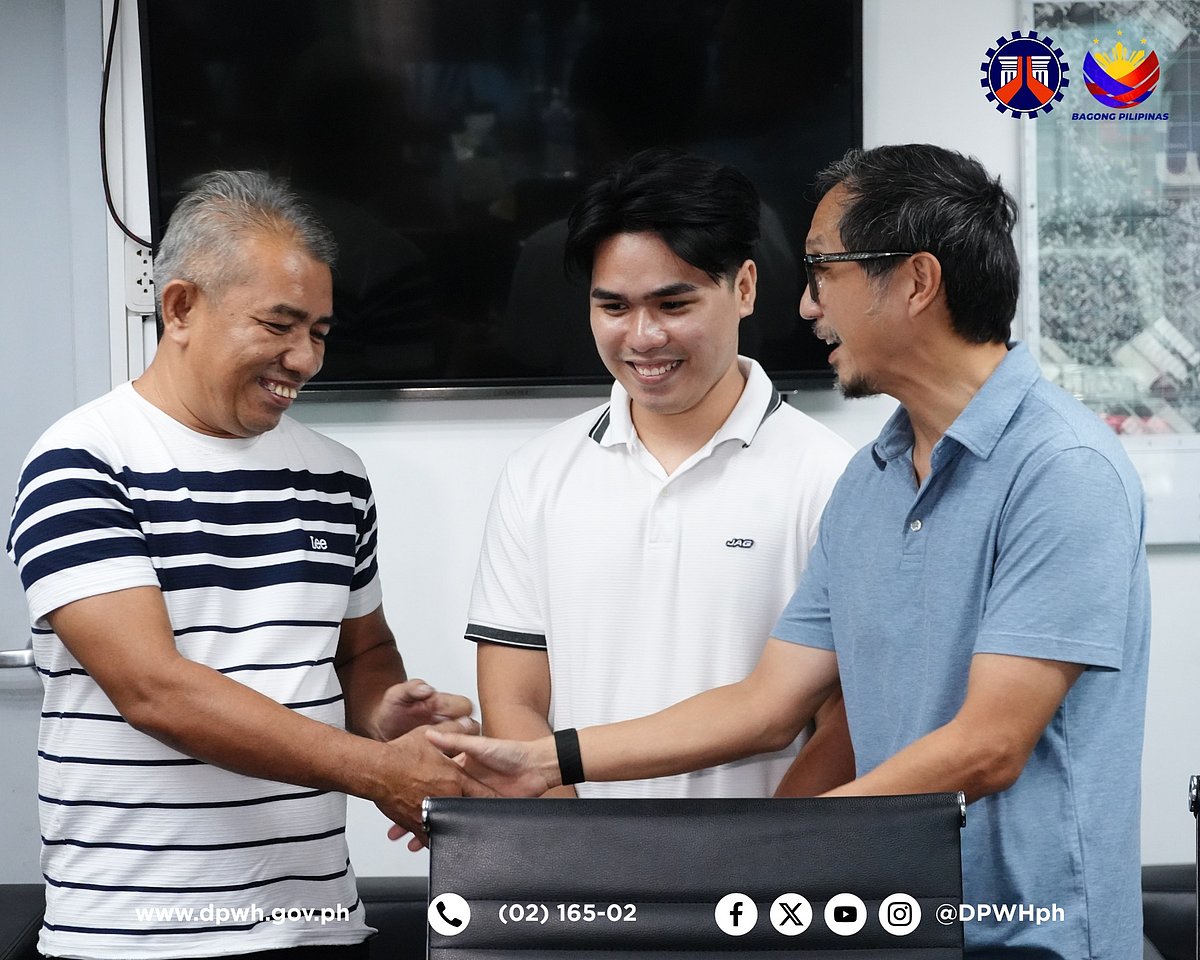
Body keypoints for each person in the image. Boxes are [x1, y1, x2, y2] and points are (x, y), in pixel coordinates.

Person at [433, 144, 1151, 959]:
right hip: (893, 924)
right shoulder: (873, 482)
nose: (808, 306)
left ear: (915, 282)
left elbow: (988, 746)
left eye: (823, 271)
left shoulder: (1062, 469)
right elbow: (767, 704)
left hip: (1031, 937)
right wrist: (546, 761)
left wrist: (749, 865)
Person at [5, 171, 492, 960]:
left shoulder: (337, 475)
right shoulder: (82, 461)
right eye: (279, 324)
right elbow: (155, 690)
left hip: (319, 918)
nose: (305, 358)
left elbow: (361, 652)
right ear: (180, 307)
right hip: (139, 932)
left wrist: (386, 719)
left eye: (320, 332)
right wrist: (378, 770)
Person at [465, 147, 854, 799]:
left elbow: (842, 720)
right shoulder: (536, 475)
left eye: (673, 305)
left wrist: (771, 847)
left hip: (763, 856)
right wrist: (577, 847)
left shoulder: (831, 475)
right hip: (579, 853)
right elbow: (514, 703)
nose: (642, 337)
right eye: (614, 308)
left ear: (745, 288)